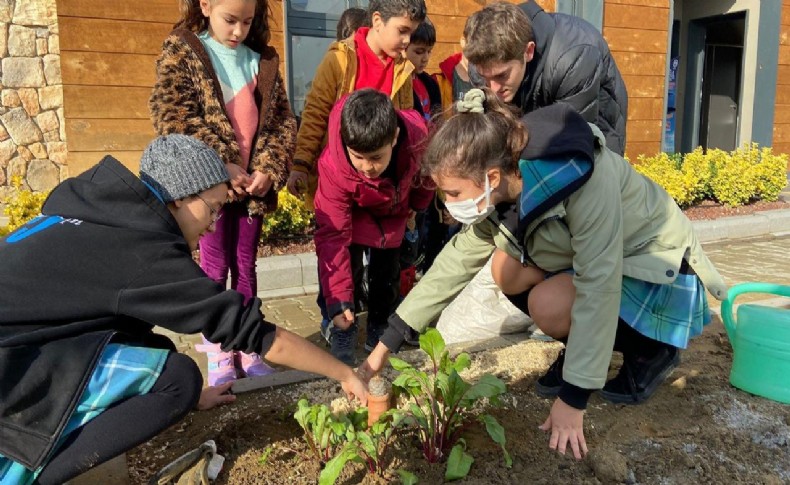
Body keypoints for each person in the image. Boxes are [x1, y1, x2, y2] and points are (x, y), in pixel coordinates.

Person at [360, 88, 727, 459]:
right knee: (506, 269)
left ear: (490, 175)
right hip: (603, 262)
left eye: (454, 193)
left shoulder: (578, 179)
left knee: (548, 304)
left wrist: (574, 397)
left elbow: (598, 283)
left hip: (656, 269)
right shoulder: (501, 192)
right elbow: (453, 265)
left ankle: (651, 349)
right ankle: (584, 349)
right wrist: (385, 346)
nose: (449, 206)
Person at [0, 135, 367, 485]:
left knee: (152, 349)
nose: (213, 224)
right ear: (179, 198)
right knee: (179, 379)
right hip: (12, 368)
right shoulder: (141, 252)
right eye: (214, 208)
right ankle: (30, 468)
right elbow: (250, 331)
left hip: (23, 340)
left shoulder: (95, 212)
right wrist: (344, 374)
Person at [149, 0, 297, 386]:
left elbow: (282, 122)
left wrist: (268, 167)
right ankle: (218, 351)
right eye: (230, 21)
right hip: (208, 190)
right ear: (206, 5)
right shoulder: (183, 50)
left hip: (250, 191)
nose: (238, 31)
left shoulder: (261, 61)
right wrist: (221, 166)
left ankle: (248, 346)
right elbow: (175, 114)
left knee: (245, 265)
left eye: (247, 22)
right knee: (214, 268)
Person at [313, 89, 433, 365]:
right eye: (358, 157)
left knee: (387, 273)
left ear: (394, 137)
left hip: (394, 209)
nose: (368, 167)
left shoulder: (418, 139)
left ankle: (380, 326)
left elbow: (428, 176)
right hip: (351, 214)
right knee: (348, 271)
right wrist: (338, 300)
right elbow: (333, 237)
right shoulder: (333, 165)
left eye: (377, 157)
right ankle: (344, 324)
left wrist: (418, 205)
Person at [285, 0, 427, 207]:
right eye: (402, 30)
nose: (407, 40)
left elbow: (407, 129)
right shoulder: (340, 60)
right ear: (378, 21)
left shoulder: (403, 70)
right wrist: (301, 165)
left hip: (382, 187)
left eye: (411, 33)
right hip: (338, 184)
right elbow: (315, 116)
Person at [464, 1, 628, 155]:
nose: (493, 88)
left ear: (528, 51)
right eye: (485, 77)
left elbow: (571, 137)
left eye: (502, 75)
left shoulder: (573, 58)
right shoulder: (481, 62)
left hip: (595, 125)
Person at [406, 18, 442, 122]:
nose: (425, 58)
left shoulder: (431, 84)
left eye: (429, 51)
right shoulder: (399, 85)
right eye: (419, 52)